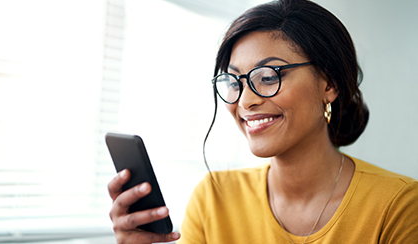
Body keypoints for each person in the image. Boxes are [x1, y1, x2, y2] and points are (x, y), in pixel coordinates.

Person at [107, 0, 418, 243]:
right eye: (234, 81)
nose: (245, 101)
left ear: (330, 84)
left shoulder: (399, 205)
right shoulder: (214, 197)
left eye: (268, 77)